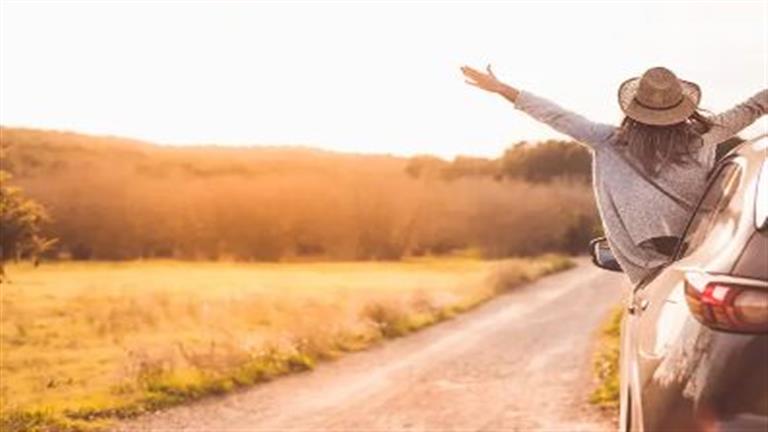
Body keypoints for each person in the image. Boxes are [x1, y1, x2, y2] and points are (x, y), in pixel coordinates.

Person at [461, 65, 767, 284]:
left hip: (652, 277)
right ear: (682, 108)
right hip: (704, 263)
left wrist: (503, 89)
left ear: (634, 109)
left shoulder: (608, 141)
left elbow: (555, 115)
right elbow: (754, 106)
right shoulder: (704, 137)